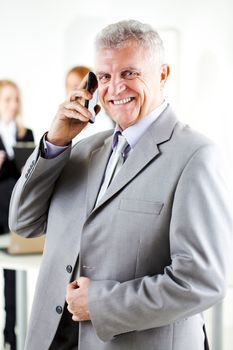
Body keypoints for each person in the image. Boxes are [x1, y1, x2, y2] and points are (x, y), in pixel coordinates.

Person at [9, 20, 232, 350]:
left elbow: (202, 281)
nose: (115, 89)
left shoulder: (195, 156)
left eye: (129, 73)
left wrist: (100, 303)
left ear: (163, 75)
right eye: (104, 77)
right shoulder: (81, 150)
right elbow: (23, 223)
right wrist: (54, 142)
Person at [0, 79, 34, 349]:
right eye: (7, 99)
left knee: (13, 280)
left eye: (16, 99)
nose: (14, 105)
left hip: (15, 216)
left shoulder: (27, 134)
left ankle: (11, 335)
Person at [65, 65, 114, 142]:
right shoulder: (61, 117)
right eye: (69, 86)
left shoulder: (103, 121)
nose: (73, 92)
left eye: (76, 86)